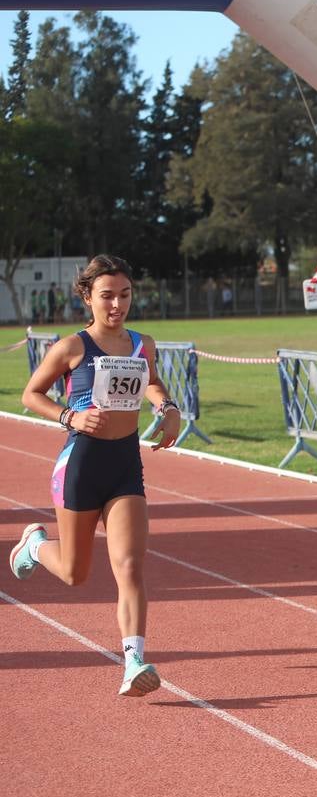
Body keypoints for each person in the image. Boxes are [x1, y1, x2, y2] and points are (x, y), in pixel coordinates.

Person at [12, 255, 181, 696]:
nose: (117, 305)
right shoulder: (72, 347)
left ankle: (134, 661)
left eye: (125, 295)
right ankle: (35, 545)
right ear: (88, 297)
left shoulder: (143, 344)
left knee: (131, 564)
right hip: (81, 464)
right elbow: (31, 394)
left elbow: (152, 382)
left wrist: (167, 407)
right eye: (107, 296)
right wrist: (70, 416)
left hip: (125, 465)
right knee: (75, 572)